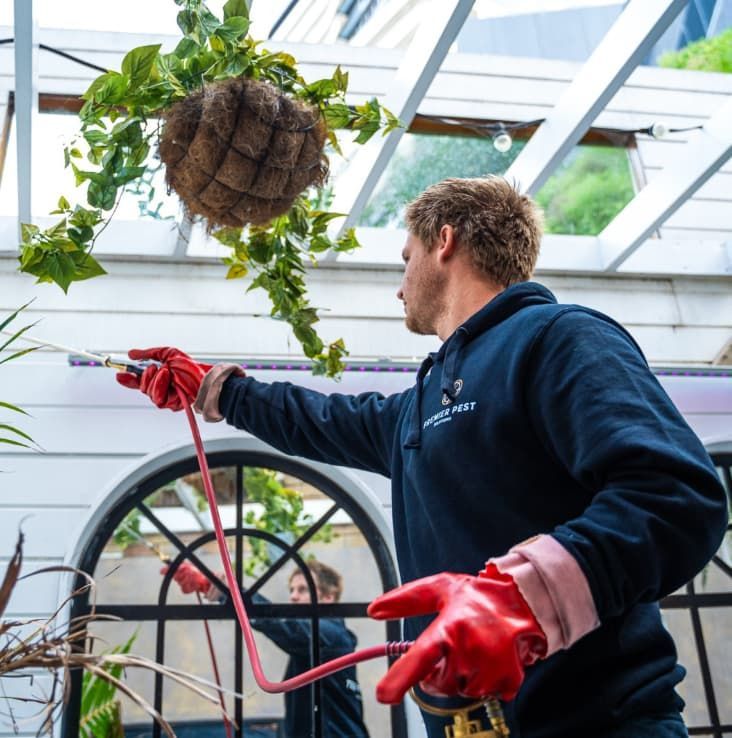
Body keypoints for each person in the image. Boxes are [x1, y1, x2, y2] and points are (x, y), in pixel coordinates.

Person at [118, 176, 728, 738]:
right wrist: (217, 391)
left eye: (404, 259)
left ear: (444, 240)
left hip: (600, 724)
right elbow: (323, 419)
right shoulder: (421, 405)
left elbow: (676, 497)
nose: (398, 283)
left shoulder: (559, 336)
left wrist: (520, 598)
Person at [168, 558, 370, 738]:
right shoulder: (320, 641)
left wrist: (231, 593)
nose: (293, 596)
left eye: (303, 589)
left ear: (328, 597)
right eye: (291, 590)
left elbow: (282, 625)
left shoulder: (331, 635)